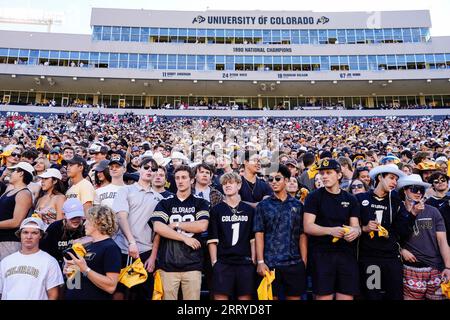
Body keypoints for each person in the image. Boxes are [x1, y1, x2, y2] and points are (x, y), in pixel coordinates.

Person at [356, 164, 417, 300]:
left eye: (396, 179)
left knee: (394, 296)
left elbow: (403, 232)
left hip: (391, 258)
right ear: (380, 177)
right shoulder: (361, 199)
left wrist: (412, 214)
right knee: (373, 296)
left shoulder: (396, 202)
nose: (394, 182)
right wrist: (365, 228)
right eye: (391, 178)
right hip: (370, 258)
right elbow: (351, 228)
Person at [303, 159, 361, 300]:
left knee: (346, 296)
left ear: (339, 175)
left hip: (347, 255)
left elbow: (356, 226)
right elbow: (308, 226)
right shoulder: (313, 197)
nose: (324, 176)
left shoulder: (351, 199)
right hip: (322, 255)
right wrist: (331, 230)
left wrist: (355, 232)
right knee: (324, 297)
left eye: (329, 172)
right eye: (322, 173)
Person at [150, 165, 210, 300]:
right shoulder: (165, 203)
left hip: (193, 264)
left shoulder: (200, 202)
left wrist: (175, 224)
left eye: (184, 177)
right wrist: (185, 238)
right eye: (177, 178)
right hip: (168, 264)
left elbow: (202, 225)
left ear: (192, 180)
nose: (180, 181)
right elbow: (158, 227)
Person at [254, 165, 307, 300]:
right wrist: (260, 261)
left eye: (277, 178)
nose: (273, 182)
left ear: (287, 180)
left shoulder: (298, 205)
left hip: (294, 263)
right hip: (270, 264)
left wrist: (304, 261)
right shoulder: (263, 205)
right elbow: (259, 234)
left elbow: (302, 234)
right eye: (270, 179)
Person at [112, 157, 162, 300]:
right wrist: (131, 242)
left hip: (145, 251)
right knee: (119, 291)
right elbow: (121, 216)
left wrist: (153, 256)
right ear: (139, 169)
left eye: (153, 169)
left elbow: (158, 229)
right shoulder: (125, 190)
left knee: (143, 294)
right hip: (123, 248)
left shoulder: (160, 199)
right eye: (146, 167)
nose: (149, 171)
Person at [397, 174, 450, 300]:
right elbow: (393, 236)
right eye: (415, 189)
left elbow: (442, 241)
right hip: (411, 268)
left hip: (436, 267)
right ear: (405, 190)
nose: (419, 193)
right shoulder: (398, 210)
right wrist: (401, 249)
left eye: (421, 189)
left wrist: (448, 266)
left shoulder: (433, 211)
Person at [207, 172, 255, 300]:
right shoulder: (216, 210)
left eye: (231, 182)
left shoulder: (249, 210)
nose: (227, 185)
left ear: (239, 185)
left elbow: (253, 239)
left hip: (244, 262)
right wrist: (214, 263)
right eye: (224, 183)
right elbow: (212, 240)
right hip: (223, 262)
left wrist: (254, 260)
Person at [63, 205, 121, 300]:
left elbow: (111, 286)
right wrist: (70, 270)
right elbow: (74, 283)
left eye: (87, 220)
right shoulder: (87, 246)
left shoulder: (111, 248)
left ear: (98, 221)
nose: (84, 224)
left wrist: (85, 269)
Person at [0, 217, 63, 300]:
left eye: (34, 233)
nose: (29, 236)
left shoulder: (50, 261)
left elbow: (53, 295)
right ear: (20, 235)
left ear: (41, 235)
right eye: (25, 232)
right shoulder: (6, 261)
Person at [0, 162, 33, 261]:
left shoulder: (24, 193)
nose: (11, 173)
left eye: (14, 171)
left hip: (10, 242)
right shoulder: (9, 191)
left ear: (21, 173)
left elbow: (16, 222)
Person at [40, 198, 86, 267]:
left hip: (80, 266)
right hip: (56, 266)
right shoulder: (54, 228)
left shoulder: (85, 228)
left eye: (78, 216)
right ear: (64, 215)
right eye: (72, 217)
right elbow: (43, 251)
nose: (76, 220)